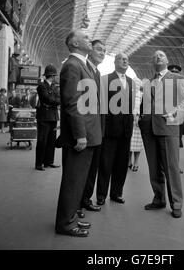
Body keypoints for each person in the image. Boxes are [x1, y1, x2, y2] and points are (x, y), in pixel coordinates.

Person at [55, 29, 102, 237]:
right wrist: (80, 135)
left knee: (79, 180)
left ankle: (71, 217)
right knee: (73, 181)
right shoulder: (72, 66)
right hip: (80, 136)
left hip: (89, 134)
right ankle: (65, 224)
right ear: (74, 43)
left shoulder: (82, 65)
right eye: (84, 37)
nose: (89, 39)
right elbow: (72, 104)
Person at [138, 50, 184, 218]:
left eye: (162, 55)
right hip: (149, 129)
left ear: (167, 60)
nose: (158, 57)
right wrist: (142, 118)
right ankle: (159, 198)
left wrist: (174, 115)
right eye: (155, 56)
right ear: (153, 62)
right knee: (154, 166)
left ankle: (176, 203)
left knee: (171, 167)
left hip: (168, 127)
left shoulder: (176, 78)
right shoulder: (149, 82)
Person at [96, 53, 134, 205]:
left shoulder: (132, 82)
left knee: (121, 163)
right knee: (106, 163)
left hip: (126, 130)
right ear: (114, 62)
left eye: (127, 59)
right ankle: (101, 195)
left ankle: (116, 193)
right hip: (110, 129)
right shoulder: (105, 80)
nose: (125, 61)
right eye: (122, 59)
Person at [78, 39, 106, 214]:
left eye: (104, 50)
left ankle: (86, 199)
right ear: (89, 50)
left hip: (96, 131)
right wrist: (81, 133)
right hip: (86, 131)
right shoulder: (83, 68)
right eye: (98, 49)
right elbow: (78, 104)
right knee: (82, 171)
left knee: (91, 169)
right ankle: (77, 204)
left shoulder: (97, 72)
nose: (102, 53)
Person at [35, 65, 61, 171]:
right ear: (51, 75)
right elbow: (46, 99)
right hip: (44, 117)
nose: (55, 78)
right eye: (54, 75)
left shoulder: (54, 87)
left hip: (53, 116)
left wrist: (54, 101)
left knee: (51, 141)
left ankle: (48, 162)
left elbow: (57, 98)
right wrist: (56, 101)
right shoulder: (41, 86)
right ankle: (39, 163)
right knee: (42, 140)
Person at [129, 77, 144, 172]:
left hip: (139, 123)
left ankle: (136, 162)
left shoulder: (143, 95)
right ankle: (129, 161)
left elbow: (145, 108)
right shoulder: (129, 94)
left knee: (137, 144)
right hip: (130, 121)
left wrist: (140, 117)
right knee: (129, 143)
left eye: (138, 83)